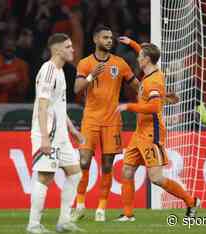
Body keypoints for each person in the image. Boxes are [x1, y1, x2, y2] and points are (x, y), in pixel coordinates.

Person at [115, 37, 200, 221]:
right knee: (127, 171)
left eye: (140, 56)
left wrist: (128, 107)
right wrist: (131, 43)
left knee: (156, 178)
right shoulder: (151, 73)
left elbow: (153, 108)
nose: (138, 58)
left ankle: (191, 201)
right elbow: (146, 53)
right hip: (140, 133)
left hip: (152, 135)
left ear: (146, 60)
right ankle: (128, 214)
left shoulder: (153, 81)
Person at [72, 25, 140, 222]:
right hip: (91, 119)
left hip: (112, 121)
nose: (109, 40)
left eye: (111, 37)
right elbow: (77, 88)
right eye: (105, 37)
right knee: (84, 161)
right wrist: (92, 75)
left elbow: (136, 86)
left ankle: (101, 208)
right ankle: (80, 204)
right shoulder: (85, 63)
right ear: (95, 40)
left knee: (108, 166)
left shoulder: (120, 63)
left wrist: (155, 94)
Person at [27, 33, 85, 234]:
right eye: (68, 47)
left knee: (75, 173)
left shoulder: (60, 72)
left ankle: (64, 221)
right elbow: (42, 107)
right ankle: (33, 225)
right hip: (48, 133)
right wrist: (44, 137)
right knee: (45, 176)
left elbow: (58, 106)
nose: (72, 50)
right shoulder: (49, 70)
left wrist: (73, 130)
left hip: (61, 135)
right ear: (58, 49)